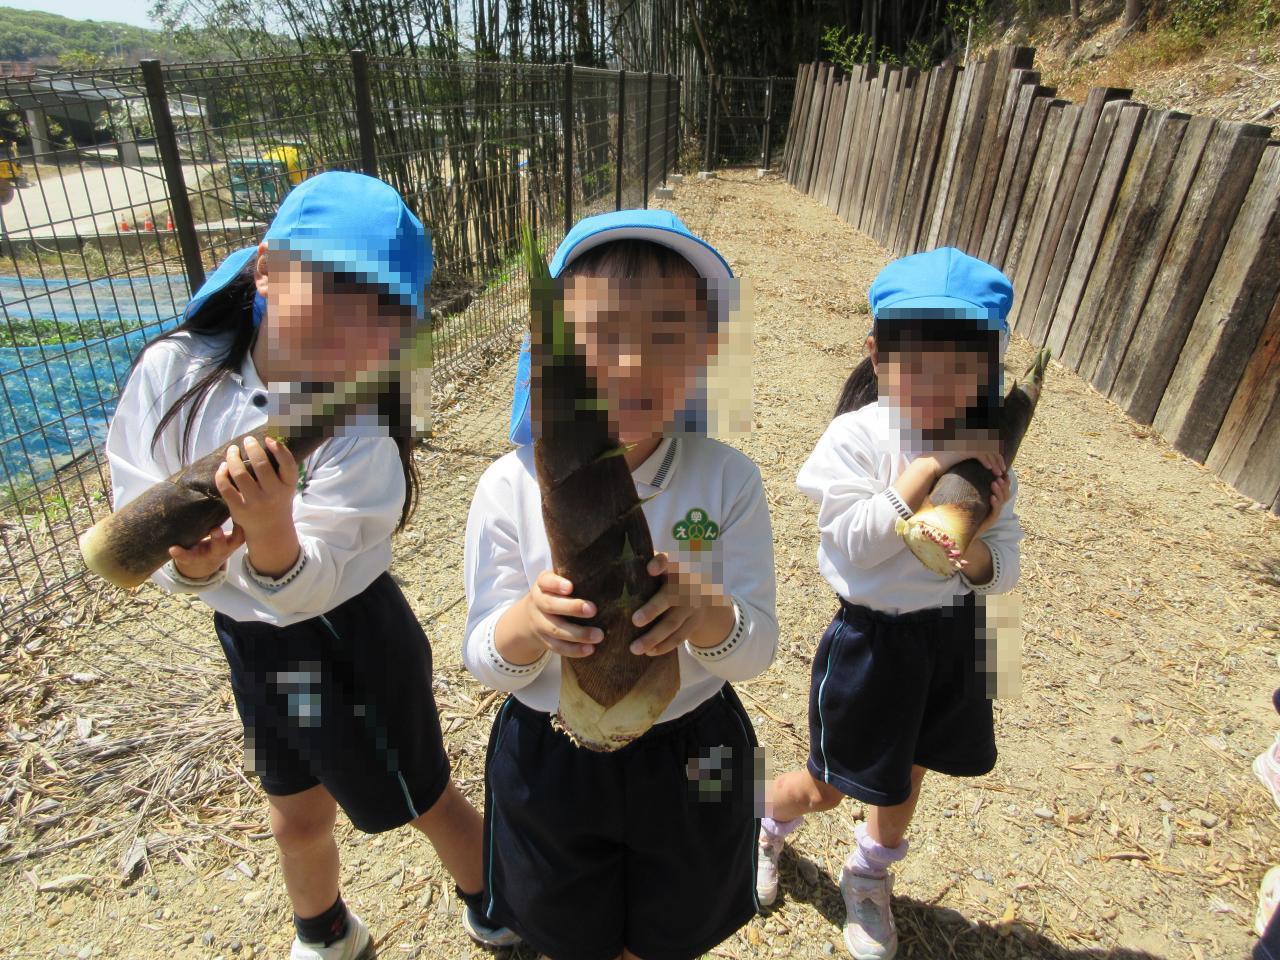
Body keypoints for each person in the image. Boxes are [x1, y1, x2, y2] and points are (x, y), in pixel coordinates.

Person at [106, 171, 515, 960]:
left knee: (422, 795)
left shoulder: (359, 420)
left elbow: (322, 568)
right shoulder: (174, 372)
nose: (350, 327)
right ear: (266, 268)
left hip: (350, 640)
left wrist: (271, 534)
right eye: (332, 290)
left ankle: (496, 904)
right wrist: (188, 568)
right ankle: (325, 932)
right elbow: (137, 501)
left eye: (380, 312)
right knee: (293, 811)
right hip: (253, 646)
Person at [462, 209, 777, 960]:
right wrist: (527, 625)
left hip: (695, 746)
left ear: (707, 349)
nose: (634, 363)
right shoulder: (507, 488)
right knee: (569, 931)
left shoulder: (728, 481)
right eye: (600, 335)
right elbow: (483, 655)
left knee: (677, 925)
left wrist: (707, 614)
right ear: (551, 357)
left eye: (667, 335)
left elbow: (757, 649)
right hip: (551, 755)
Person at [756, 247, 1024, 960]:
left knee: (911, 769)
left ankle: (870, 871)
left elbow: (1006, 568)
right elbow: (852, 543)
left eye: (963, 368)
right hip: (872, 644)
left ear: (991, 369)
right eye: (919, 364)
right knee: (828, 786)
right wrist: (930, 465)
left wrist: (981, 546)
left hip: (953, 640)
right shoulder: (858, 437)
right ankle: (767, 821)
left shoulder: (990, 452)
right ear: (878, 355)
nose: (941, 385)